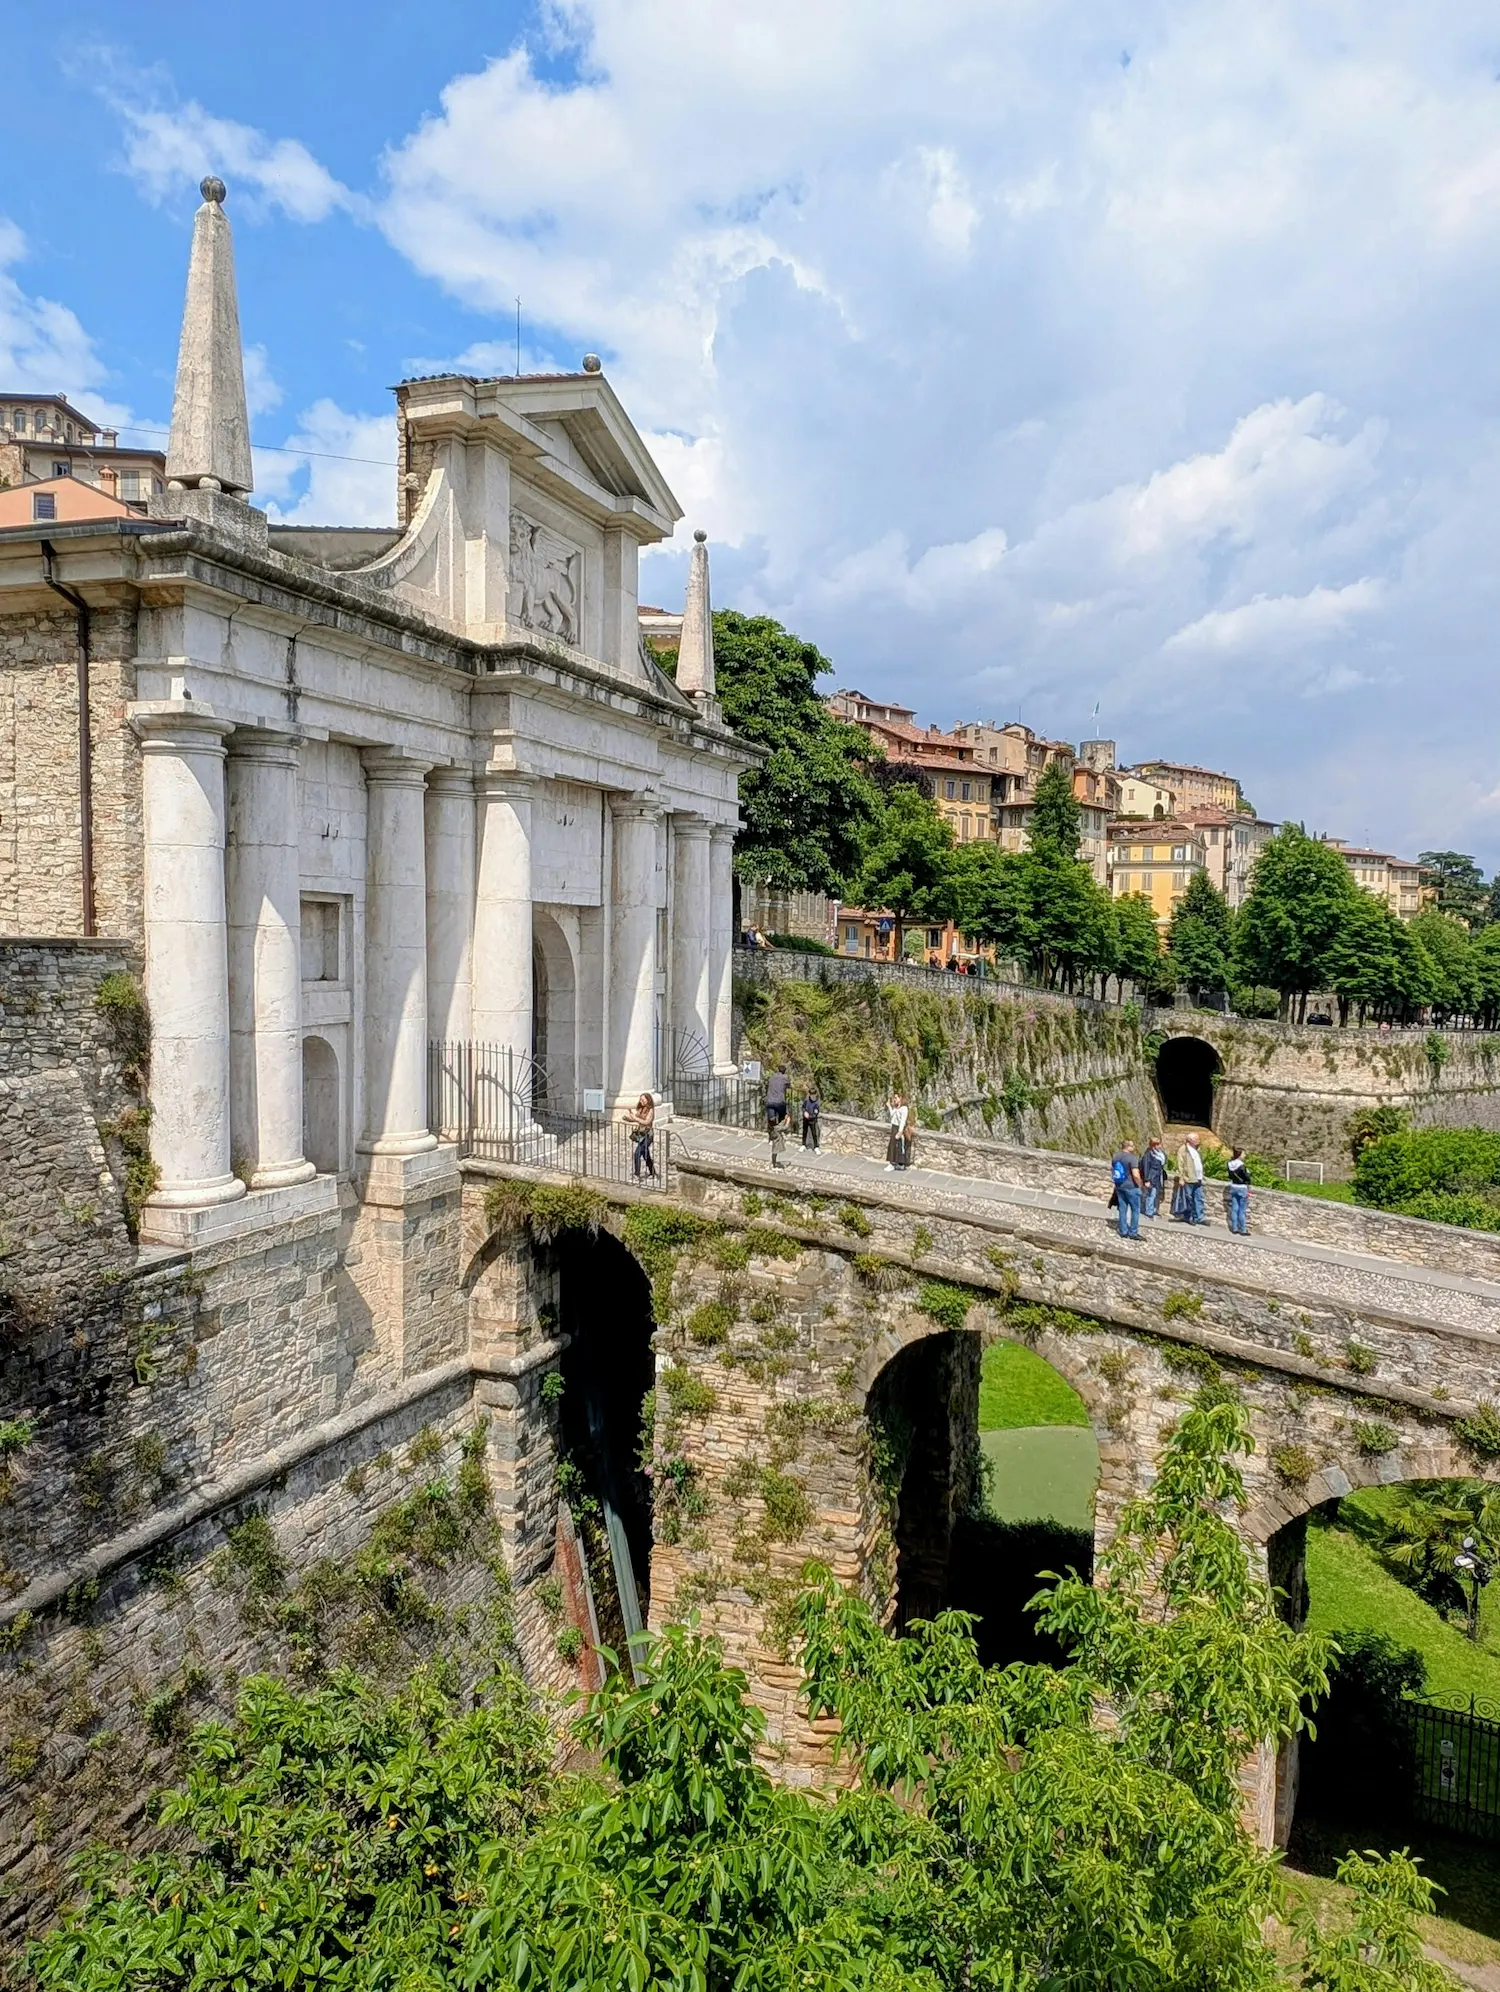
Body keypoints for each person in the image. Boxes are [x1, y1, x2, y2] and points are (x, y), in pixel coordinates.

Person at [1111, 1139, 1143, 1239]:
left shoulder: (1116, 1156)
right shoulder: (1132, 1158)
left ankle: (1123, 1231)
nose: (1134, 1147)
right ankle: (1133, 1232)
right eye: (1132, 1146)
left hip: (1120, 1185)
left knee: (1122, 1209)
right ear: (1128, 1147)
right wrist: (1140, 1184)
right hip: (1131, 1186)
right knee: (1135, 1209)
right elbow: (1135, 1174)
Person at [1177, 1132, 1206, 1224]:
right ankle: (1188, 1217)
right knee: (1188, 1198)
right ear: (1190, 1140)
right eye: (1196, 1139)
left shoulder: (1197, 1149)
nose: (1198, 1140)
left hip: (1198, 1178)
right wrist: (1181, 1178)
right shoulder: (1183, 1149)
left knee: (1199, 1198)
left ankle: (1199, 1217)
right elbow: (1180, 1164)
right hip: (1189, 1178)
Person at [627, 1092, 656, 1181]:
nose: (641, 1101)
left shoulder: (650, 1110)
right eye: (640, 1099)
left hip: (648, 1135)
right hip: (641, 1134)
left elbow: (647, 1122)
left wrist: (635, 1118)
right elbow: (636, 1118)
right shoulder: (641, 1109)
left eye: (643, 1099)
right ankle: (653, 1173)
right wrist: (629, 1118)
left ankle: (636, 1175)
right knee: (645, 1154)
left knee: (637, 1153)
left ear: (648, 1100)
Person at [1141, 1134, 1168, 1219]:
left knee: (1156, 1193)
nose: (1159, 1146)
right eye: (1157, 1144)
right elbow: (1146, 1167)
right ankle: (1149, 1211)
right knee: (1151, 1194)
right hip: (1152, 1176)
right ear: (1153, 1145)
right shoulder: (1148, 1154)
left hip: (1158, 1176)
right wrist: (1146, 1180)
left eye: (1159, 1144)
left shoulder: (1160, 1153)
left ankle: (1154, 1210)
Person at [1226, 1146, 1251, 1235]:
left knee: (1234, 1208)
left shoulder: (1230, 1164)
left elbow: (1230, 1176)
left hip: (1233, 1186)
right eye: (1244, 1154)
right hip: (1242, 1187)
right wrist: (1248, 1174)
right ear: (1239, 1155)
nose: (1245, 1155)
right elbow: (1247, 1178)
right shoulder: (1242, 1165)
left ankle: (1234, 1228)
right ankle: (1242, 1229)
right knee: (1242, 1210)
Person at [764, 1067, 790, 1144]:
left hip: (770, 1101)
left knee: (771, 1119)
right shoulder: (785, 1078)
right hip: (780, 1102)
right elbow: (788, 1085)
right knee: (782, 1118)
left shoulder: (772, 1077)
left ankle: (771, 1137)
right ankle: (780, 1134)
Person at [885, 1092, 909, 1170]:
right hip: (894, 1127)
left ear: (900, 1098)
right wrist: (889, 1106)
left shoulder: (904, 1108)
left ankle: (897, 1163)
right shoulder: (896, 1107)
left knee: (899, 1145)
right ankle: (893, 1162)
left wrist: (900, 1131)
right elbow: (892, 1115)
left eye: (896, 1098)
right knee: (892, 1145)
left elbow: (903, 1120)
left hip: (898, 1128)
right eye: (894, 1098)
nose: (894, 1099)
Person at [800, 1084, 821, 1150]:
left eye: (813, 1095)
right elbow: (803, 1107)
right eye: (811, 1095)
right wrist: (804, 1112)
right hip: (805, 1119)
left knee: (814, 1133)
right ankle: (803, 1144)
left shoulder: (816, 1103)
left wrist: (810, 1116)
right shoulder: (806, 1100)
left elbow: (816, 1112)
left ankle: (816, 1146)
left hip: (812, 1120)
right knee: (804, 1132)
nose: (812, 1096)